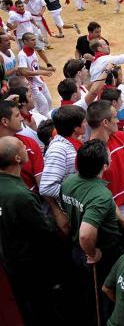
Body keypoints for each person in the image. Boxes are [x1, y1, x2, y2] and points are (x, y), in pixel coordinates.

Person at [60, 139, 124, 324]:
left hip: (77, 252)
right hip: (100, 255)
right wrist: (92, 252)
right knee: (103, 299)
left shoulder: (69, 182)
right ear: (105, 165)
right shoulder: (100, 195)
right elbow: (86, 234)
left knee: (87, 293)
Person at [0, 136, 59, 325]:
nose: (27, 148)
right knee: (41, 309)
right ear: (17, 158)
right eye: (23, 147)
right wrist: (53, 219)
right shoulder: (21, 196)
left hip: (9, 261)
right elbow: (44, 230)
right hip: (30, 266)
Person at [16, 32, 55, 116]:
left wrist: (46, 69)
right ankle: (44, 124)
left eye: (35, 39)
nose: (35, 41)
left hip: (40, 81)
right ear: (25, 42)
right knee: (43, 105)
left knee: (49, 101)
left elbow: (35, 66)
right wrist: (42, 72)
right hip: (33, 85)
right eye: (32, 40)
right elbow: (24, 71)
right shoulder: (22, 55)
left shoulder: (32, 51)